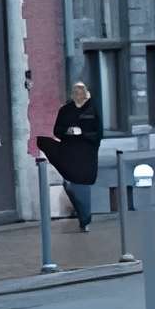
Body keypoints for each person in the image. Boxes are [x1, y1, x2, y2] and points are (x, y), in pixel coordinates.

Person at [37, 82, 103, 231]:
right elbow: (57, 131)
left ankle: (85, 219)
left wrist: (82, 133)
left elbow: (98, 134)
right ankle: (84, 218)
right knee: (71, 183)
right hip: (69, 149)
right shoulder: (65, 110)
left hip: (86, 153)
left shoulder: (92, 109)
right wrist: (68, 131)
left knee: (80, 185)